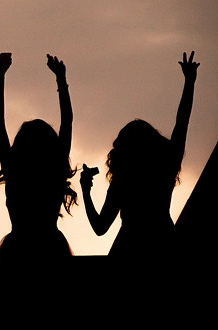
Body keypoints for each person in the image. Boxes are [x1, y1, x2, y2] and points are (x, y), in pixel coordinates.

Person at [81, 52, 198, 259]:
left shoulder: (123, 180)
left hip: (128, 248)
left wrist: (86, 191)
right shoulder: (166, 165)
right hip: (163, 243)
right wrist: (189, 82)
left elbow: (100, 228)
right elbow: (182, 123)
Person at [0, 53, 76, 260]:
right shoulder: (55, 165)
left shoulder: (13, 167)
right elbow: (67, 122)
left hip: (18, 248)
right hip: (51, 247)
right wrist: (61, 80)